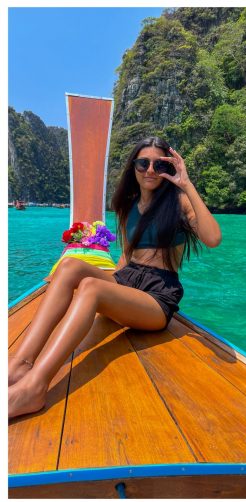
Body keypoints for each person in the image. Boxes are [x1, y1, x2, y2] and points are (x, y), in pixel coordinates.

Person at [8, 136, 221, 418]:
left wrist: (186, 184)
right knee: (70, 266)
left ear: (168, 168)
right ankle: (19, 365)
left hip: (157, 296)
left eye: (159, 165)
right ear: (134, 167)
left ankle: (34, 388)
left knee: (91, 287)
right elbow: (125, 259)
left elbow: (213, 238)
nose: (150, 170)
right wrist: (110, 290)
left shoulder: (178, 202)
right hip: (129, 281)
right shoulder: (128, 205)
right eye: (143, 163)